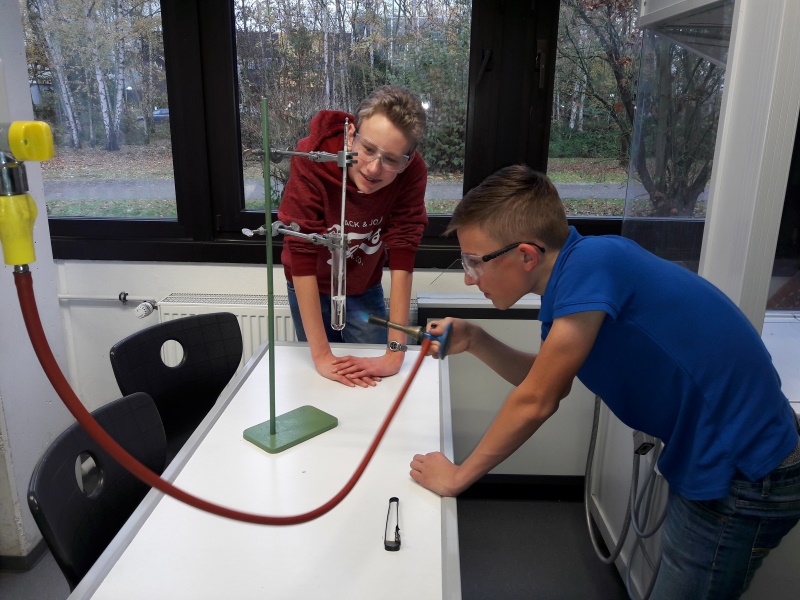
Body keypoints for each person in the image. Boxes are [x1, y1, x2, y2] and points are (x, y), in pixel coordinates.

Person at [410, 165, 800, 598]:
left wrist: (458, 477)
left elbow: (538, 399)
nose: (469, 277)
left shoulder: (592, 265)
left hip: (747, 468)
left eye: (474, 261)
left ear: (526, 256)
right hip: (735, 456)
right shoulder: (580, 273)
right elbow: (546, 379)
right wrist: (477, 340)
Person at [278, 85, 428, 388]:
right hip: (308, 283)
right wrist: (322, 356)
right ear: (350, 135)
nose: (374, 168)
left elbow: (404, 248)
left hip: (363, 284)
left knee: (374, 381)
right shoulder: (311, 158)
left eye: (391, 160)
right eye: (368, 149)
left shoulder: (412, 172)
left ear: (407, 160)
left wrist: (394, 354)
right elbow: (301, 249)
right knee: (319, 379)